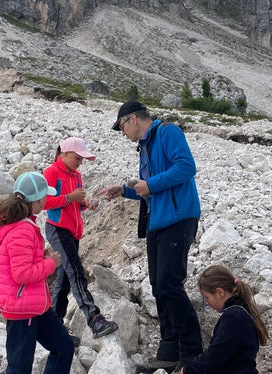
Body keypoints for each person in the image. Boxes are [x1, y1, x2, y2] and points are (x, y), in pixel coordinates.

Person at [99, 101, 202, 373]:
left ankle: (193, 354)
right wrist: (124, 190)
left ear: (133, 119)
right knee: (159, 286)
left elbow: (187, 167)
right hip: (158, 222)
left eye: (121, 126)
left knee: (169, 284)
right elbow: (148, 189)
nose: (122, 132)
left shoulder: (167, 133)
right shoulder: (144, 147)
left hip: (179, 219)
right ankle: (169, 352)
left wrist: (150, 184)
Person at [0, 171, 74, 374]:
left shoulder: (22, 223)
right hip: (22, 309)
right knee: (20, 367)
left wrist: (40, 257)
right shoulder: (23, 229)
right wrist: (50, 263)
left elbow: (21, 260)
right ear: (36, 200)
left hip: (35, 305)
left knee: (64, 347)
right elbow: (22, 275)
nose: (47, 198)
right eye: (45, 195)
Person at [43, 136, 118, 341]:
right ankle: (94, 319)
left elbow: (75, 203)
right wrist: (70, 198)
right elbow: (43, 202)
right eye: (77, 158)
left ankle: (53, 325)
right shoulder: (51, 173)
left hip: (72, 232)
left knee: (66, 278)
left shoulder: (76, 175)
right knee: (76, 271)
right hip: (58, 229)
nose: (80, 162)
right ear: (64, 154)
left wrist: (85, 204)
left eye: (82, 159)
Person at [181, 265, 268, 373]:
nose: (208, 303)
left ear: (220, 292)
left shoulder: (234, 318)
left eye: (207, 297)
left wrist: (187, 370)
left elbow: (215, 356)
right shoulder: (240, 312)